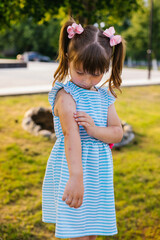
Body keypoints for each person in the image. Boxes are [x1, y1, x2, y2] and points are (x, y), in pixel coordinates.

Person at [42, 17, 126, 239]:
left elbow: (117, 133)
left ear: (106, 68)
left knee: (92, 232)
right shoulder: (66, 96)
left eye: (96, 74)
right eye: (80, 72)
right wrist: (76, 178)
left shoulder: (104, 97)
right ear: (69, 59)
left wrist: (94, 130)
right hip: (75, 169)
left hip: (98, 173)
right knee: (76, 232)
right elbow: (71, 136)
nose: (87, 81)